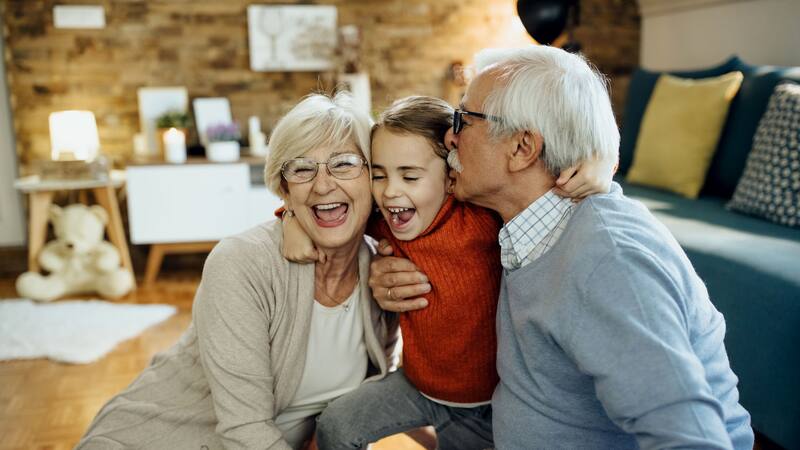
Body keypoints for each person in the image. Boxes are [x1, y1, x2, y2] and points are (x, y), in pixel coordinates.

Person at [371, 45, 755, 449]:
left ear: (522, 148)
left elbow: (693, 439)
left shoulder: (609, 263)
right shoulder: (517, 222)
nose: (450, 136)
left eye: (464, 119)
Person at [281, 95, 615, 449]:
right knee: (336, 424)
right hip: (417, 385)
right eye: (379, 176)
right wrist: (289, 218)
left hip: (486, 403)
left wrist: (603, 163)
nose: (391, 192)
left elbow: (548, 191)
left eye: (410, 176)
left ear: (452, 179)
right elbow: (329, 209)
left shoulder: (482, 218)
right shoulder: (385, 221)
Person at [76, 92, 400, 450]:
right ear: (285, 191)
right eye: (302, 169)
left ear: (373, 178)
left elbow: (358, 407)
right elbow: (246, 430)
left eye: (344, 164)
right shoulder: (242, 263)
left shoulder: (382, 272)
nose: (323, 185)